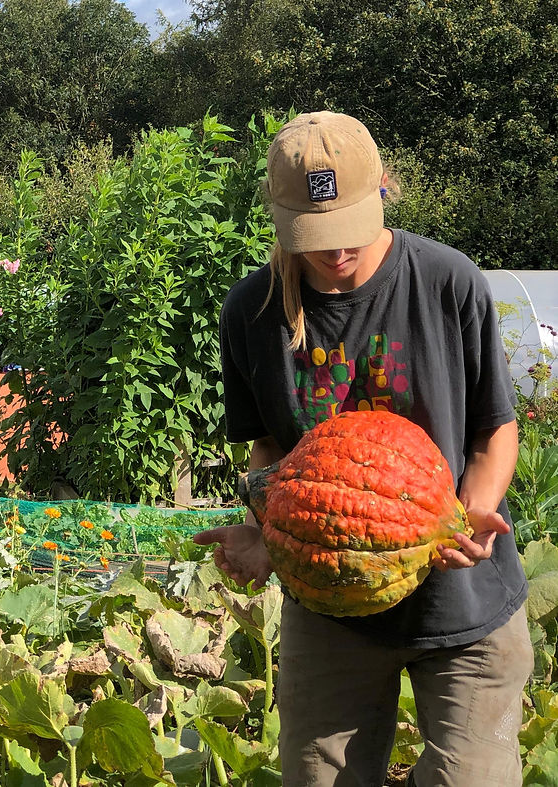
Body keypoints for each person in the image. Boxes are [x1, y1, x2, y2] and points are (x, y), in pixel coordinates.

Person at [194, 110, 531, 787]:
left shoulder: (447, 281)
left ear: (383, 189)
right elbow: (271, 452)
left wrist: (471, 511)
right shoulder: (252, 312)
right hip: (330, 605)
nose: (337, 251)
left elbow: (496, 429)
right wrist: (269, 533)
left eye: (350, 226)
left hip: (462, 606)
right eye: (316, 235)